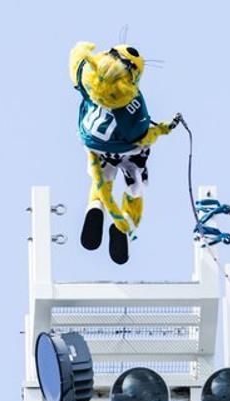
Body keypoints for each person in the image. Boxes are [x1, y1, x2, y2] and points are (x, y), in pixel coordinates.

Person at [69, 41, 181, 264]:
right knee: (135, 187)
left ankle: (95, 206)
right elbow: (139, 134)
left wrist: (84, 50)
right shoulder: (132, 100)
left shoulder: (91, 77)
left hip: (94, 143)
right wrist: (161, 128)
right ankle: (125, 223)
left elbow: (76, 64)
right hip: (127, 150)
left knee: (103, 178)